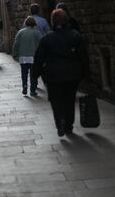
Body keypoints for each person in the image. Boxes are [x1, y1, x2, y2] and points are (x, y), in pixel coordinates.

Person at [33, 9, 89, 137]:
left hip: (53, 75)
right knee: (69, 100)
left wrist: (36, 74)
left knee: (56, 100)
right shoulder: (75, 36)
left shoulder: (47, 38)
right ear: (66, 20)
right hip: (72, 74)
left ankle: (60, 123)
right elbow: (83, 56)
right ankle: (69, 125)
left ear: (52, 21)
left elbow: (39, 58)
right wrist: (86, 74)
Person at [13, 16, 42, 96]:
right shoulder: (37, 32)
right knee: (33, 75)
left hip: (23, 57)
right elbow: (41, 44)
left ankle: (25, 86)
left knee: (24, 73)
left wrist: (15, 54)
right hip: (33, 57)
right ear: (34, 24)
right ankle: (33, 90)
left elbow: (16, 44)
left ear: (26, 23)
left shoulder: (20, 32)